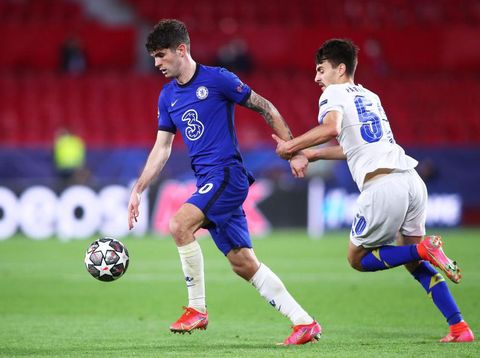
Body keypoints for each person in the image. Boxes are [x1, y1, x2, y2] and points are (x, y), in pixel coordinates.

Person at [127, 19, 320, 346]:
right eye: (153, 57)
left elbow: (266, 107)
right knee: (243, 264)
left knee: (178, 225)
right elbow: (162, 148)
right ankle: (303, 322)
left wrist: (295, 150)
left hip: (226, 175)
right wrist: (138, 189)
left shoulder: (218, 80)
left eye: (161, 55)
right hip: (209, 180)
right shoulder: (167, 96)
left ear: (181, 50)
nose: (156, 63)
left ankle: (196, 309)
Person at [273, 39, 474, 343]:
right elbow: (355, 147)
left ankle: (424, 249)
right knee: (411, 261)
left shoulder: (333, 93)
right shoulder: (370, 96)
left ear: (340, 69)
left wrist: (291, 146)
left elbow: (330, 128)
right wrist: (310, 155)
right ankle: (459, 327)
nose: (317, 78)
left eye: (321, 69)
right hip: (410, 180)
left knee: (357, 258)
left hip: (382, 186)